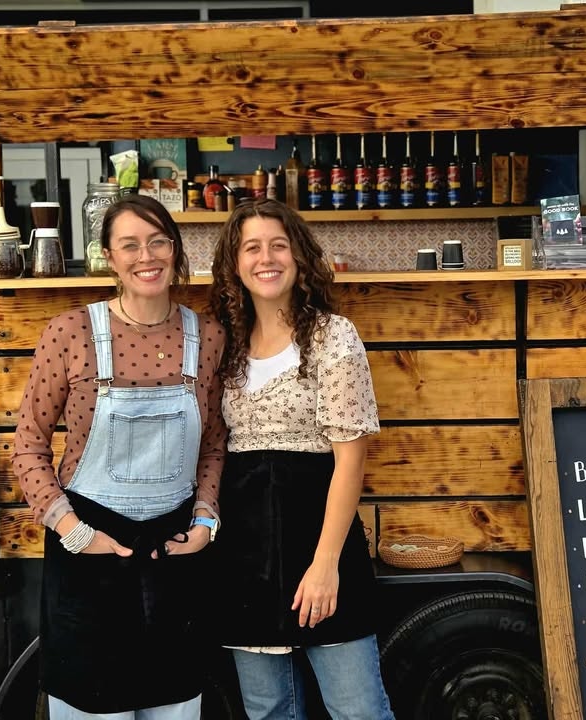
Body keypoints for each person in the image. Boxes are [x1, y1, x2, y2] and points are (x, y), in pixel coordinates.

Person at [11, 194, 227, 719]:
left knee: (175, 704)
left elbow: (214, 444)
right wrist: (71, 529)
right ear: (109, 255)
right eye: (129, 244)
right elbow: (28, 445)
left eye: (157, 242)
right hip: (87, 559)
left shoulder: (210, 337)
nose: (145, 256)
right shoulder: (70, 333)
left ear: (174, 250)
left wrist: (205, 519)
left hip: (172, 556)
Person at [209, 198, 394, 720]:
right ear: (235, 263)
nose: (266, 258)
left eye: (278, 245)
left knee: (357, 710)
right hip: (245, 555)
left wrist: (325, 565)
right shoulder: (225, 344)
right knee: (269, 711)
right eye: (251, 248)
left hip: (320, 543)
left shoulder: (333, 337)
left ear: (299, 257)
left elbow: (349, 463)